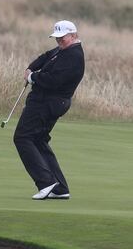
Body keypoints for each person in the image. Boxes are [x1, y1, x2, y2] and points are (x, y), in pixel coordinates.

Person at [14, 20, 85, 200]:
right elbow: (46, 56)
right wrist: (30, 68)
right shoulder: (63, 50)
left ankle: (45, 183)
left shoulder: (74, 56)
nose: (59, 41)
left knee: (23, 137)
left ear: (74, 36)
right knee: (38, 140)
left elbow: (54, 80)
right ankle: (60, 188)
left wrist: (33, 77)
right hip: (47, 102)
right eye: (57, 38)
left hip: (47, 103)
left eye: (63, 38)